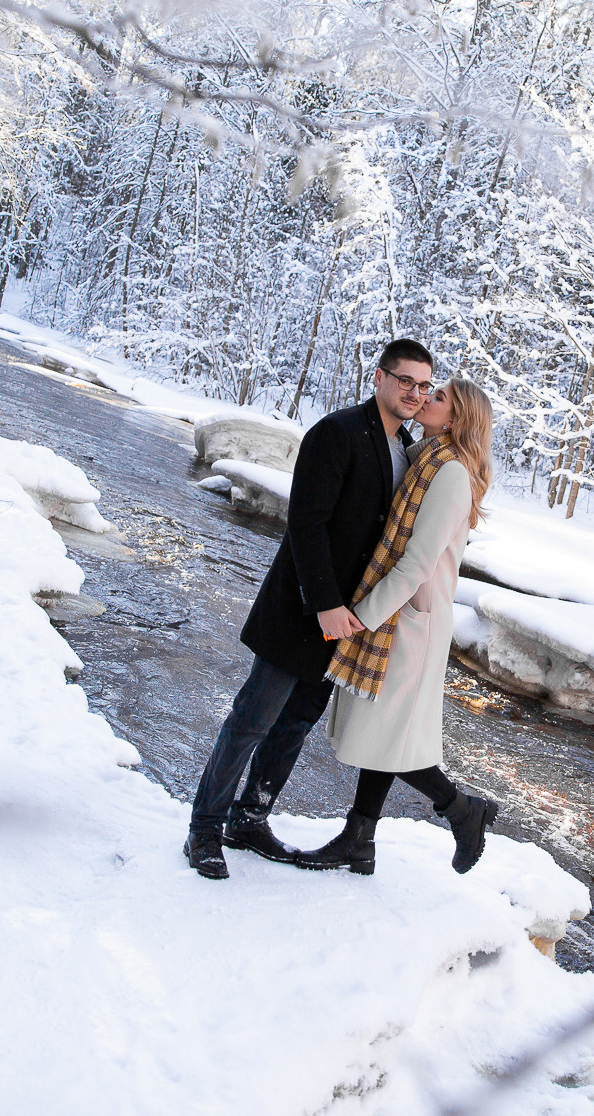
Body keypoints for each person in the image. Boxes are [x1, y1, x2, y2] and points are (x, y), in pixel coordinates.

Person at [183, 338, 436, 879]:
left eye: (424, 385)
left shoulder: (404, 446)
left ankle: (249, 819)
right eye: (405, 381)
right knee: (253, 718)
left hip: (346, 620)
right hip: (302, 610)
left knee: (296, 723)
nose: (415, 393)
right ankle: (204, 828)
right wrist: (323, 603)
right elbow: (306, 522)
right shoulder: (339, 432)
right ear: (380, 378)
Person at [297, 377, 500, 877]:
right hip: (397, 614)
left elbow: (415, 565)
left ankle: (461, 809)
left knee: (391, 736)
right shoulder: (420, 459)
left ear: (454, 419)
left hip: (411, 621)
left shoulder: (449, 474)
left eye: (438, 398)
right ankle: (359, 840)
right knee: (383, 732)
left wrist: (358, 618)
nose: (425, 400)